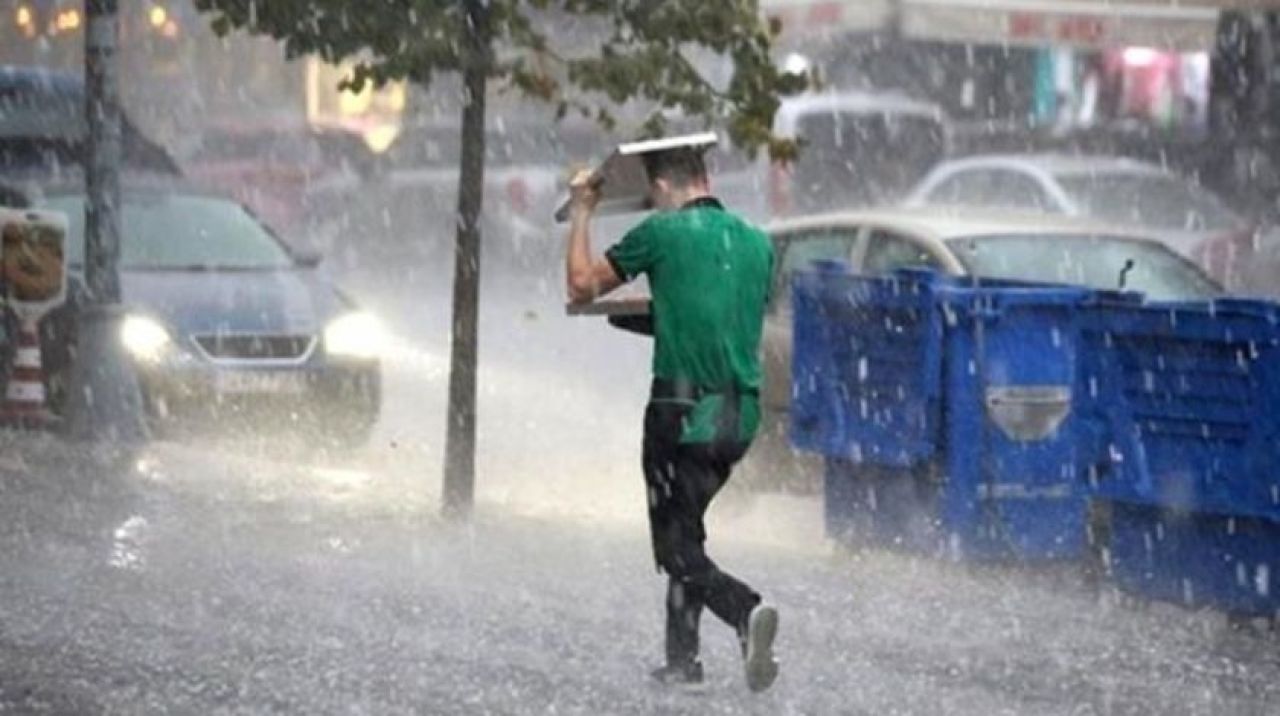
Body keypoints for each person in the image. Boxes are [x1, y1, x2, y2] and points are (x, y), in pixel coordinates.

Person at [564, 146, 780, 692]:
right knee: (688, 529)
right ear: (706, 177)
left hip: (680, 412)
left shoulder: (661, 233)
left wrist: (583, 209)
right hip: (739, 416)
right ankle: (682, 660)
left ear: (660, 188)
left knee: (674, 547)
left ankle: (743, 610)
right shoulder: (757, 243)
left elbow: (581, 284)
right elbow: (720, 317)